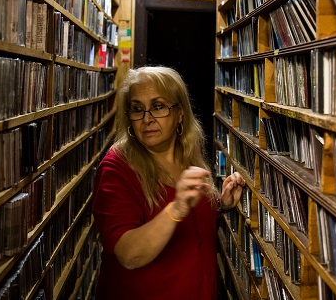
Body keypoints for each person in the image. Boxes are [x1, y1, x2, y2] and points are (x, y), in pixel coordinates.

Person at [91, 65, 245, 299]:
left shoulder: (188, 151)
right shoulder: (116, 167)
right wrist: (176, 209)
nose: (147, 119)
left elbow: (192, 217)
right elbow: (128, 255)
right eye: (137, 109)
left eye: (158, 106)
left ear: (180, 113)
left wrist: (220, 204)